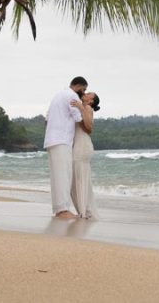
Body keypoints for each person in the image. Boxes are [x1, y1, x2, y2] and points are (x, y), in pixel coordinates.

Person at [44, 76, 87, 219]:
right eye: (84, 89)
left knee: (56, 176)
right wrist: (83, 109)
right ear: (79, 86)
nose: (84, 92)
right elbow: (78, 119)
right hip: (62, 139)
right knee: (64, 174)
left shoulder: (57, 96)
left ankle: (58, 209)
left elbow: (47, 117)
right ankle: (63, 210)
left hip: (51, 139)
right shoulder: (72, 96)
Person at [70, 92, 100, 219]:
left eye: (89, 94)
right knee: (76, 178)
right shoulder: (81, 107)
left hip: (82, 146)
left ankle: (84, 212)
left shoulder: (87, 108)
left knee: (80, 177)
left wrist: (81, 108)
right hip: (78, 144)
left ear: (91, 101)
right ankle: (83, 210)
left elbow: (89, 127)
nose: (85, 93)